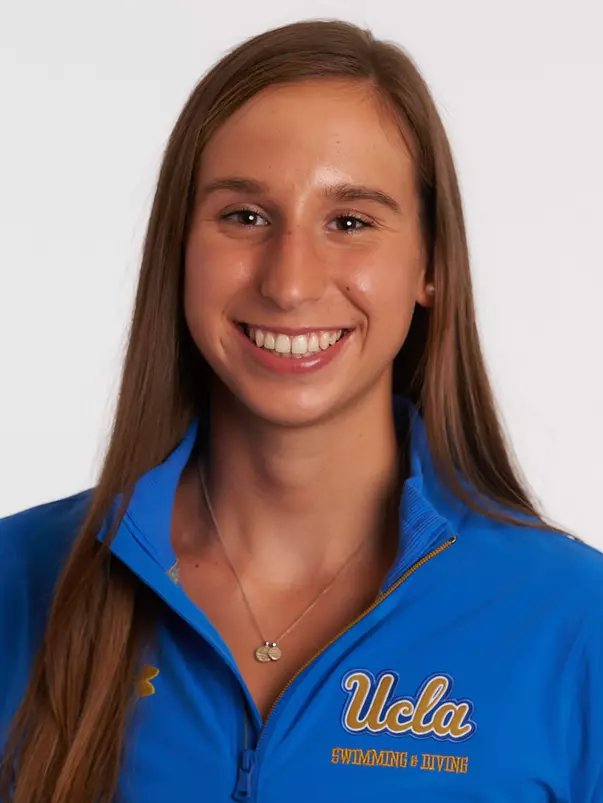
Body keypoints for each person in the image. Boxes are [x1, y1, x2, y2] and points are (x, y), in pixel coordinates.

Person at [1, 17, 601, 803]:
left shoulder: (571, 619)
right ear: (178, 250)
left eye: (349, 222)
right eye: (244, 217)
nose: (288, 282)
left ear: (431, 266)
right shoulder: (19, 580)